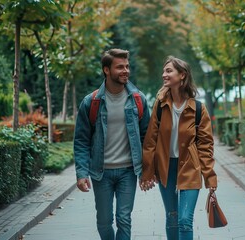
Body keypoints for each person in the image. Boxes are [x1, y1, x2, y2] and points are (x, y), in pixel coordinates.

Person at [74, 48, 150, 240]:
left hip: (128, 171)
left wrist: (146, 171)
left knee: (124, 218)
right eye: (120, 67)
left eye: (127, 66)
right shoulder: (91, 102)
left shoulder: (138, 100)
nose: (125, 71)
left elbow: (147, 138)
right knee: (104, 221)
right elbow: (81, 141)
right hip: (101, 172)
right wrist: (82, 173)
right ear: (106, 70)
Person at [140, 56, 217, 240]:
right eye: (164, 71)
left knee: (184, 219)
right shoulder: (160, 105)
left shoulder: (198, 109)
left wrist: (210, 177)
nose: (163, 75)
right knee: (172, 217)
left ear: (182, 75)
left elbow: (205, 146)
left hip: (190, 167)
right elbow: (151, 141)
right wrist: (148, 172)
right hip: (166, 168)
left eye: (168, 71)